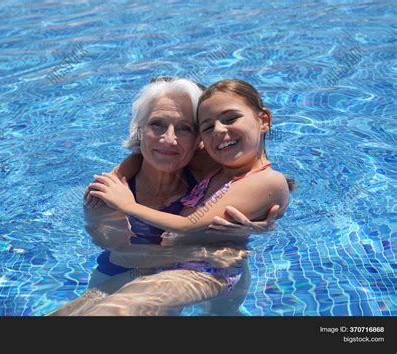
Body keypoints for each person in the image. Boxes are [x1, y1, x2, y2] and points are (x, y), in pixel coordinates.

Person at [49, 78, 280, 316]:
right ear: (139, 131)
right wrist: (196, 253)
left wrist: (256, 225)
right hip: (122, 274)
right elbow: (124, 255)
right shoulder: (107, 195)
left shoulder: (208, 171)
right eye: (157, 124)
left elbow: (255, 183)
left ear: (198, 140)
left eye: (184, 128)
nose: (169, 140)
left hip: (207, 274)